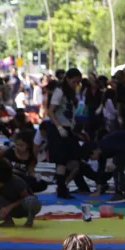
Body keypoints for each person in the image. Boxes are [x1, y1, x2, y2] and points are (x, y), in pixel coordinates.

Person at [46, 68, 83, 198]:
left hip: (68, 129)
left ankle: (62, 184)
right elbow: (50, 111)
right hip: (58, 129)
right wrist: (59, 127)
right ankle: (61, 188)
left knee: (74, 159)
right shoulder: (59, 91)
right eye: (74, 82)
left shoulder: (71, 93)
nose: (76, 85)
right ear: (67, 79)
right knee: (61, 160)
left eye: (78, 82)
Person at [90, 130, 125, 204]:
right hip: (123, 145)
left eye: (91, 158)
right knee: (117, 169)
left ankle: (119, 195)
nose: (92, 160)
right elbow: (100, 170)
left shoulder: (106, 146)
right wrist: (98, 191)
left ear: (94, 151)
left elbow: (122, 151)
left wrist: (116, 165)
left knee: (116, 169)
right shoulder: (101, 152)